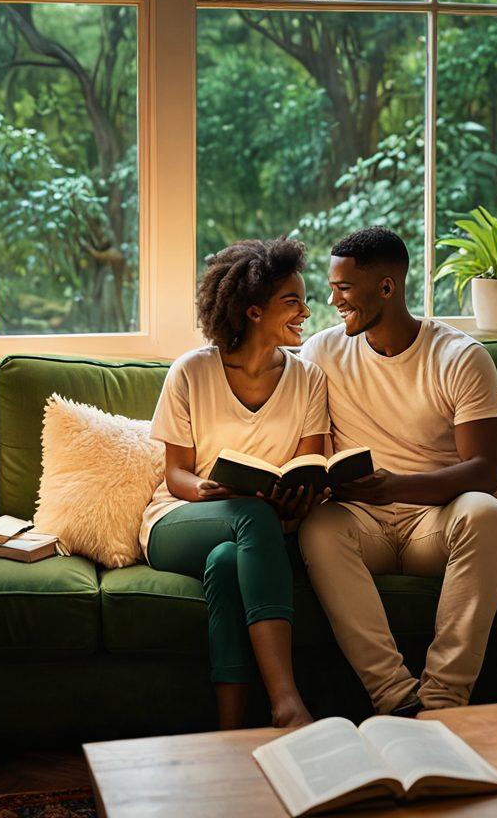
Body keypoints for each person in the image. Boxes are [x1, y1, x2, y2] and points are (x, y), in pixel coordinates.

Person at [298, 226, 497, 718]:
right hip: (360, 524)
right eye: (331, 288)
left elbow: (484, 470)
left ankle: (442, 700)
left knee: (488, 514)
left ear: (387, 288)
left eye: (344, 289)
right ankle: (396, 698)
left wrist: (397, 486)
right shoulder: (323, 352)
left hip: (430, 524)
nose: (332, 300)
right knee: (319, 526)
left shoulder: (460, 357)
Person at [142, 238, 327, 730]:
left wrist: (299, 494)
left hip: (264, 528)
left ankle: (230, 732)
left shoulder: (309, 378)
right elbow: (176, 474)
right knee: (249, 517)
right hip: (180, 521)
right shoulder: (191, 372)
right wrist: (202, 489)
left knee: (226, 564)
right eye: (292, 302)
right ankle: (287, 701)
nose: (306, 312)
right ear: (252, 311)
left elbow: (310, 463)